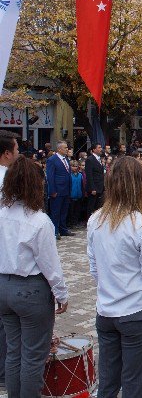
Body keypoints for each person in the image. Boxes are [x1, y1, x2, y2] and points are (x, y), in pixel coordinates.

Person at [87, 157, 142, 397]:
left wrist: (109, 289)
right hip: (136, 313)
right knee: (134, 384)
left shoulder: (95, 220)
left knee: (108, 383)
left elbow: (94, 268)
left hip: (106, 312)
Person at [0, 156, 69, 396]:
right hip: (30, 290)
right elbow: (50, 265)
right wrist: (61, 294)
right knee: (32, 357)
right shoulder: (39, 221)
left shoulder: (1, 214)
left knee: (13, 352)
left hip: (3, 288)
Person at [0, 130, 21, 389]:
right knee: (8, 327)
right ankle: (6, 374)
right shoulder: (8, 181)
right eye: (16, 150)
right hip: (8, 260)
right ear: (6, 153)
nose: (18, 154)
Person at [46, 141, 74, 240]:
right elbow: (50, 176)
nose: (67, 149)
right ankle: (55, 231)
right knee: (56, 212)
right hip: (57, 190)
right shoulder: (52, 160)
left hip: (66, 189)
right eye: (65, 147)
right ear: (59, 149)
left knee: (64, 211)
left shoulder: (66, 159)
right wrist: (52, 190)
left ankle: (63, 229)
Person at [85, 143, 105, 218]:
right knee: (91, 206)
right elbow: (89, 175)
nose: (101, 149)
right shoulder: (90, 160)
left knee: (98, 206)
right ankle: (89, 220)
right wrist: (92, 188)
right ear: (94, 149)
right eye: (99, 148)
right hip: (94, 188)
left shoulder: (99, 159)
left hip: (100, 186)